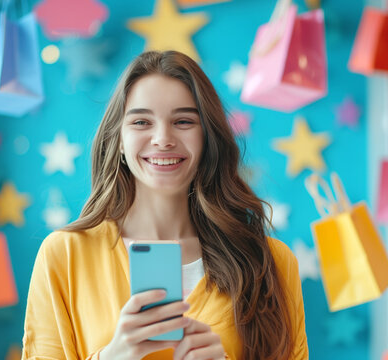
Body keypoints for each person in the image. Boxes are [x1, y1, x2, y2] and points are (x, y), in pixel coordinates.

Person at [22, 50, 308, 360]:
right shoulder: (64, 255)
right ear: (119, 139)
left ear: (207, 138)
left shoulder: (272, 262)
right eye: (142, 121)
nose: (163, 138)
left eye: (183, 121)